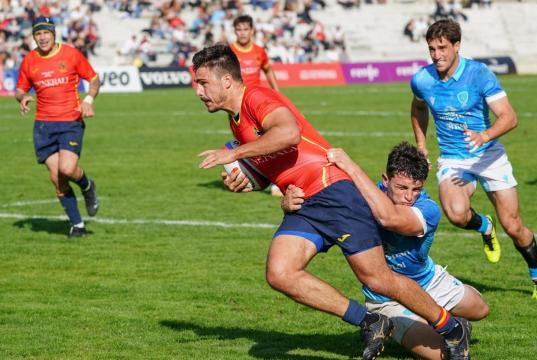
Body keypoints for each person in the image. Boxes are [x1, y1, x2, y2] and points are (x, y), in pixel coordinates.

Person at [192, 44, 471, 360]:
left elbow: (289, 133)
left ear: (226, 80)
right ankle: (370, 320)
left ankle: (451, 328)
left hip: (332, 190)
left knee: (377, 278)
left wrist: (234, 153)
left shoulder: (257, 97)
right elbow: (277, 162)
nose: (198, 91)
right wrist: (249, 182)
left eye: (202, 82)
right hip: (305, 203)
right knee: (280, 273)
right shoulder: (235, 120)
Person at [282, 142, 489, 360]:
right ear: (385, 180)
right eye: (402, 188)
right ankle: (420, 323)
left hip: (429, 282)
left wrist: (351, 166)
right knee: (441, 355)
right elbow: (322, 212)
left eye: (416, 189)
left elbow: (390, 219)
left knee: (481, 309)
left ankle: (448, 320)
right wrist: (290, 205)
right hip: (387, 299)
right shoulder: (363, 199)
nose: (409, 197)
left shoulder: (428, 209)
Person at [410, 19, 537, 299]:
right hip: (453, 159)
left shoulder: (479, 74)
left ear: (457, 46)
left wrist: (484, 136)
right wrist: (421, 144)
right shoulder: (422, 79)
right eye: (431, 49)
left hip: (489, 156)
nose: (437, 55)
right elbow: (417, 108)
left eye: (442, 48)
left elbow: (509, 117)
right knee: (456, 213)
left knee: (513, 226)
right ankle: (485, 226)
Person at [15, 17, 100, 238]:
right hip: (43, 126)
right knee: (57, 178)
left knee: (68, 169)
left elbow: (93, 79)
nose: (42, 37)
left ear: (53, 34)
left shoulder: (71, 54)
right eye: (38, 34)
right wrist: (23, 97)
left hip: (70, 121)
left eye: (46, 33)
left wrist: (88, 100)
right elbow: (19, 88)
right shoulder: (29, 61)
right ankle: (77, 226)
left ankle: (87, 186)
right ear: (34, 36)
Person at [230, 14, 282, 197]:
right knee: (251, 144)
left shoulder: (259, 51)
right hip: (238, 106)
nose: (242, 33)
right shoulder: (230, 52)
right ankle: (259, 177)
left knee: (269, 141)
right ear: (235, 31)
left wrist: (278, 93)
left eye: (246, 29)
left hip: (259, 103)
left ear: (252, 30)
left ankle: (276, 181)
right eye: (239, 29)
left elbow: (268, 70)